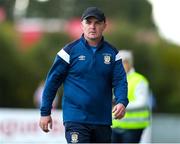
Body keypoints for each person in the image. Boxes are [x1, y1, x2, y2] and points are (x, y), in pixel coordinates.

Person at [39, 7, 128, 143]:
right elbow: (52, 82)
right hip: (75, 119)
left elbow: (120, 80)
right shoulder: (68, 52)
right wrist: (45, 112)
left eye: (97, 23)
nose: (93, 27)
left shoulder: (112, 53)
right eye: (89, 22)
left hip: (102, 120)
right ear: (82, 25)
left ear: (104, 25)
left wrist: (121, 101)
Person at [111, 50, 151, 143]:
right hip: (115, 125)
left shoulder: (139, 80)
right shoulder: (114, 79)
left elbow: (142, 102)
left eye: (123, 62)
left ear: (129, 63)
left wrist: (120, 106)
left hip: (134, 126)